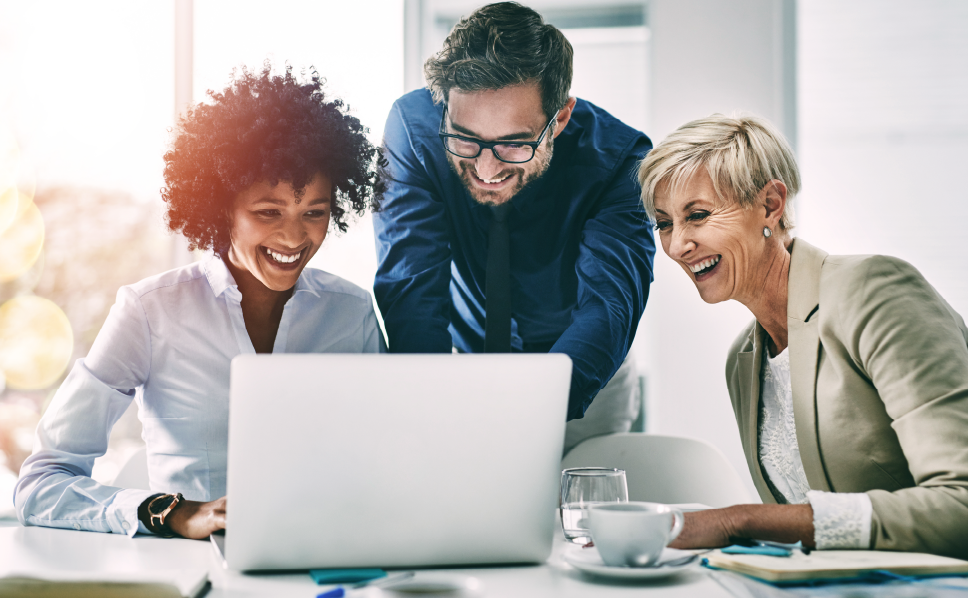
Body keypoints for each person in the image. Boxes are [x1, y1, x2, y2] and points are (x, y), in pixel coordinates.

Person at [14, 65, 385, 539]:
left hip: (323, 561)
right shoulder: (149, 312)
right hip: (194, 572)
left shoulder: (350, 314)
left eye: (315, 212)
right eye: (267, 212)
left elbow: (384, 462)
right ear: (220, 206)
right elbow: (41, 484)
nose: (294, 236)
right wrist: (176, 513)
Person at [637, 113, 968, 558]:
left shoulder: (874, 291)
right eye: (664, 223)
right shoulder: (745, 359)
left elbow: (960, 503)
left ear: (771, 205)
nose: (677, 246)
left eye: (697, 215)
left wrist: (739, 522)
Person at [374, 2, 655, 452]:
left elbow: (608, 307)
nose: (486, 167)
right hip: (462, 366)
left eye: (513, 144)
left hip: (583, 380)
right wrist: (424, 404)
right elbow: (411, 286)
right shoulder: (413, 129)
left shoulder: (622, 160)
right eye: (466, 137)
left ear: (559, 118)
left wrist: (522, 408)